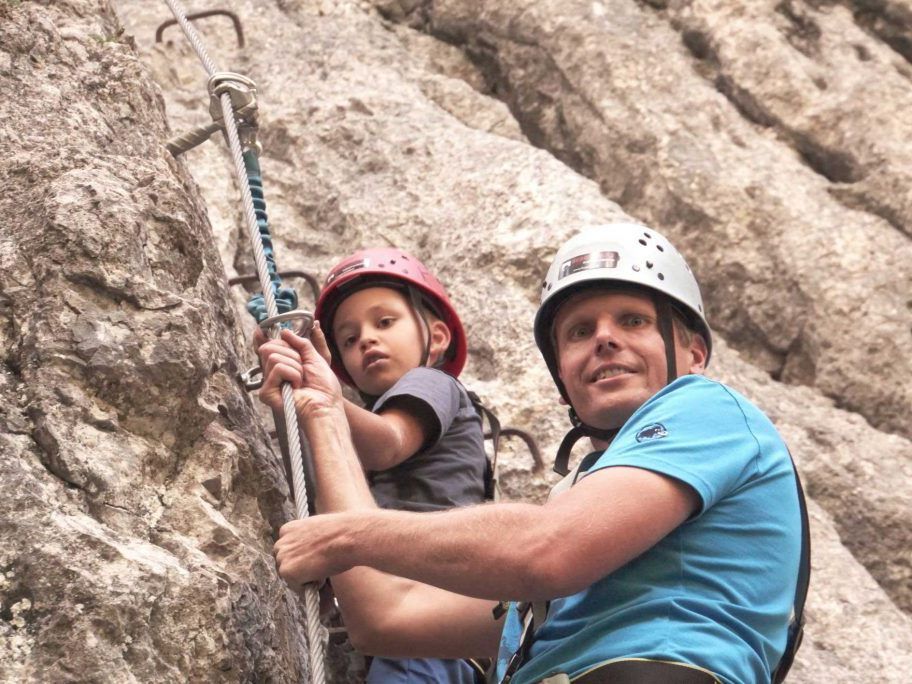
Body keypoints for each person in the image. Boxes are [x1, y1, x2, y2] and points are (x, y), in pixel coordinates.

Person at [268, 223, 805, 684]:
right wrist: (324, 414)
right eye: (578, 331)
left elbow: (547, 549)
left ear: (693, 352)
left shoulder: (709, 410)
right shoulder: (580, 505)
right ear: (561, 379)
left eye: (633, 320)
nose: (604, 339)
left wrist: (350, 534)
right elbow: (387, 618)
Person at [258, 248, 488, 683]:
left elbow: (388, 444)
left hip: (425, 612)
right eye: (348, 338)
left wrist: (324, 400)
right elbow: (310, 493)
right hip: (393, 622)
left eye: (384, 323)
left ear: (436, 338)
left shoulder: (435, 383)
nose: (365, 339)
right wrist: (294, 406)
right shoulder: (349, 432)